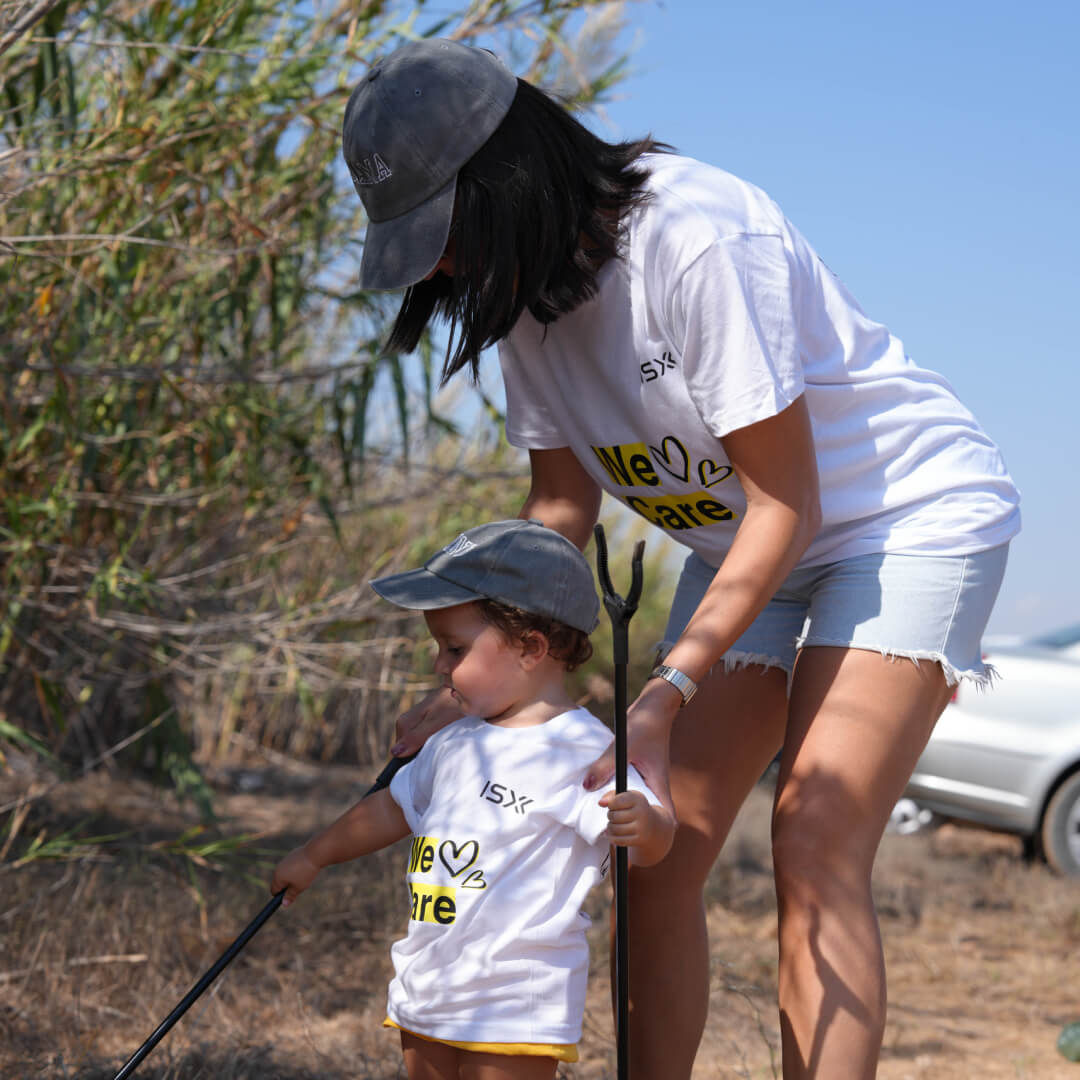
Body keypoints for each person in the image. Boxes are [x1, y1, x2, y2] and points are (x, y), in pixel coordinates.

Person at [341, 39, 1021, 1079]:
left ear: (504, 178)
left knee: (814, 836)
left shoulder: (695, 239)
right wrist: (472, 678)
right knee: (654, 849)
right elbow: (562, 503)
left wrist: (664, 687)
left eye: (440, 232)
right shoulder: (520, 299)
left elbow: (788, 502)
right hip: (741, 539)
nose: (436, 266)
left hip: (902, 520)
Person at [271, 519, 675, 1080]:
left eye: (454, 648)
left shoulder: (587, 753)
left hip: (516, 999)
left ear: (530, 648)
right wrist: (314, 856)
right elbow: (392, 808)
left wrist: (647, 826)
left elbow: (646, 847)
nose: (439, 665)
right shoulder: (455, 741)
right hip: (429, 980)